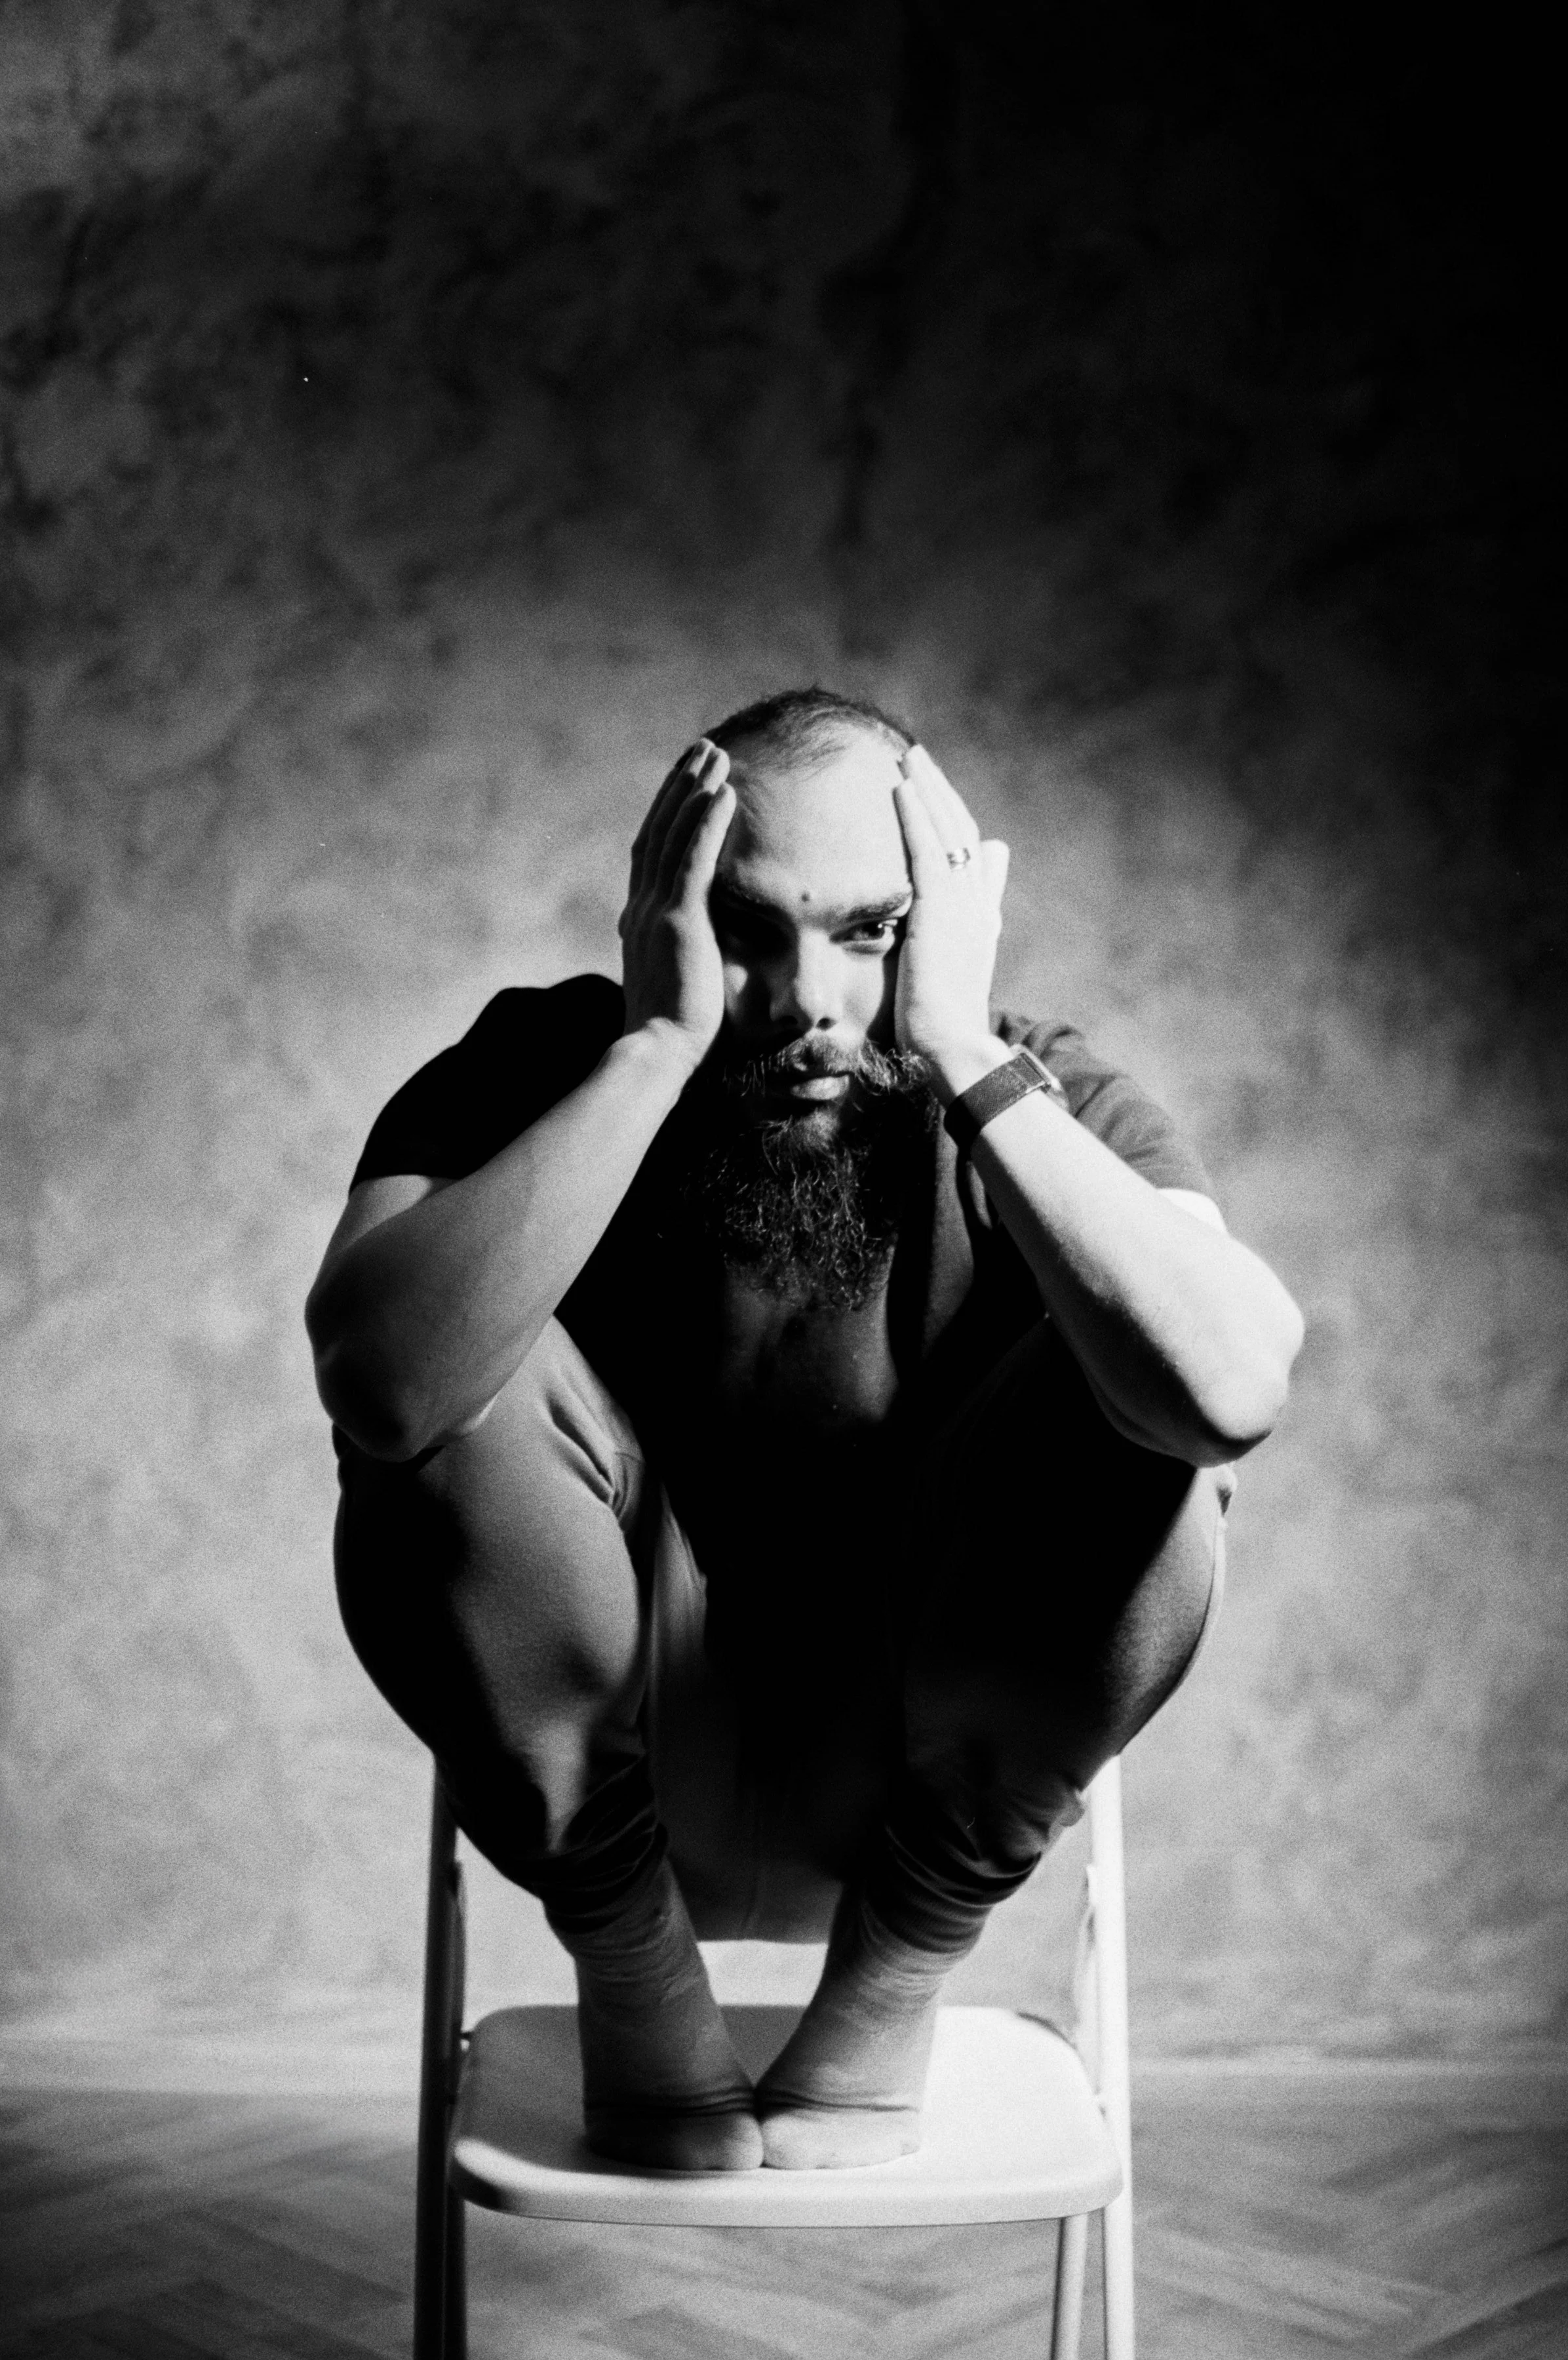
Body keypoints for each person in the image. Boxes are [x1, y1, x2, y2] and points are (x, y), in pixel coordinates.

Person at [305, 687, 1303, 2175]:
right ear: (660, 908)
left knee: (1138, 1387)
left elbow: (1227, 1394)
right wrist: (653, 1048)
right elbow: (378, 1385)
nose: (804, 1000)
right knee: (453, 1358)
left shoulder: (1033, 1082)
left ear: (946, 923)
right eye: (745, 928)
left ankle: (888, 1988)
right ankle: (638, 1982)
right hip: (591, 1741)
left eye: (869, 932)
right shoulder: (545, 1057)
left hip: (934, 1755)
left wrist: (961, 1050)